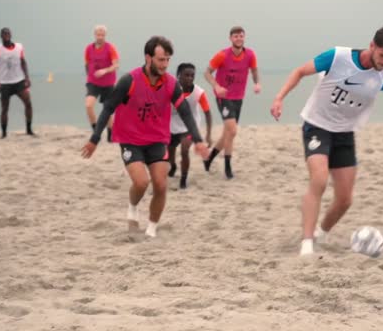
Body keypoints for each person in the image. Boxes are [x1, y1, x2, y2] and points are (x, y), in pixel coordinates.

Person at [270, 24, 383, 256]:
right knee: (320, 179)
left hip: (345, 134)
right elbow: (300, 72)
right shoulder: (337, 57)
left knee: (345, 200)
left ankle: (320, 234)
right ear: (372, 46)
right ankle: (306, 243)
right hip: (317, 126)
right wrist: (279, 98)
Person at [81, 36, 209, 239]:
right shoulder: (129, 81)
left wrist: (199, 140)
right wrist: (95, 138)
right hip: (130, 139)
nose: (165, 65)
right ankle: (132, 208)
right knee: (141, 183)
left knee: (160, 184)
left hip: (157, 139)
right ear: (148, 58)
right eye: (161, 60)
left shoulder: (170, 84)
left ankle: (151, 227)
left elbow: (185, 112)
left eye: (168, 59)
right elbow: (108, 108)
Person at [203, 26, 261, 179]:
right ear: (230, 38)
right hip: (224, 97)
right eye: (236, 36)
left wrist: (256, 83)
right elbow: (207, 72)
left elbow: (254, 71)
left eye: (241, 36)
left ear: (244, 37)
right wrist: (216, 86)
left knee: (227, 133)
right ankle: (228, 167)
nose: (239, 39)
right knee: (233, 131)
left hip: (238, 97)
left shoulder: (250, 54)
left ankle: (209, 158)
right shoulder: (222, 55)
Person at [168, 63, 213, 189]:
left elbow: (208, 113)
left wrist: (208, 135)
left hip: (189, 127)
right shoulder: (170, 90)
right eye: (186, 75)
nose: (189, 78)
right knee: (169, 153)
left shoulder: (198, 92)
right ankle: (173, 166)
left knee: (184, 149)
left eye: (192, 76)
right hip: (172, 126)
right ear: (178, 76)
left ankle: (183, 179)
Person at [0, 28, 34, 138]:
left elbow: (23, 62)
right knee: (4, 109)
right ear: (1, 36)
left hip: (19, 81)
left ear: (11, 35)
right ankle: (4, 134)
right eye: (4, 34)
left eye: (8, 33)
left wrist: (27, 77)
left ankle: (29, 130)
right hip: (4, 84)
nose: (6, 35)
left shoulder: (19, 47)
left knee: (28, 103)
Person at [85, 25, 120, 142]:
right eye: (98, 34)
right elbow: (87, 64)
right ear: (94, 35)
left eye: (102, 35)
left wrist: (104, 70)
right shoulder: (89, 49)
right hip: (93, 82)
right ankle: (96, 130)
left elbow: (116, 65)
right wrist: (89, 75)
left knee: (108, 110)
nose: (100, 37)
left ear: (105, 36)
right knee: (89, 105)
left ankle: (110, 133)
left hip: (108, 83)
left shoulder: (110, 48)